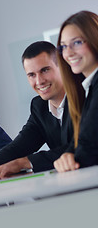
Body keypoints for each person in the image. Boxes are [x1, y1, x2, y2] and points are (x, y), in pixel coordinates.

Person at [0, 41, 73, 185]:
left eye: (45, 70)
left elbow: (83, 145)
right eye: (31, 75)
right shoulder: (39, 106)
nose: (39, 81)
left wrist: (24, 162)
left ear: (62, 67)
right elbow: (20, 145)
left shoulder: (86, 96)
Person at [54, 10, 98, 172]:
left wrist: (72, 157)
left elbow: (89, 151)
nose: (69, 53)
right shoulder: (89, 88)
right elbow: (79, 142)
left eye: (77, 42)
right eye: (64, 46)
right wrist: (67, 155)